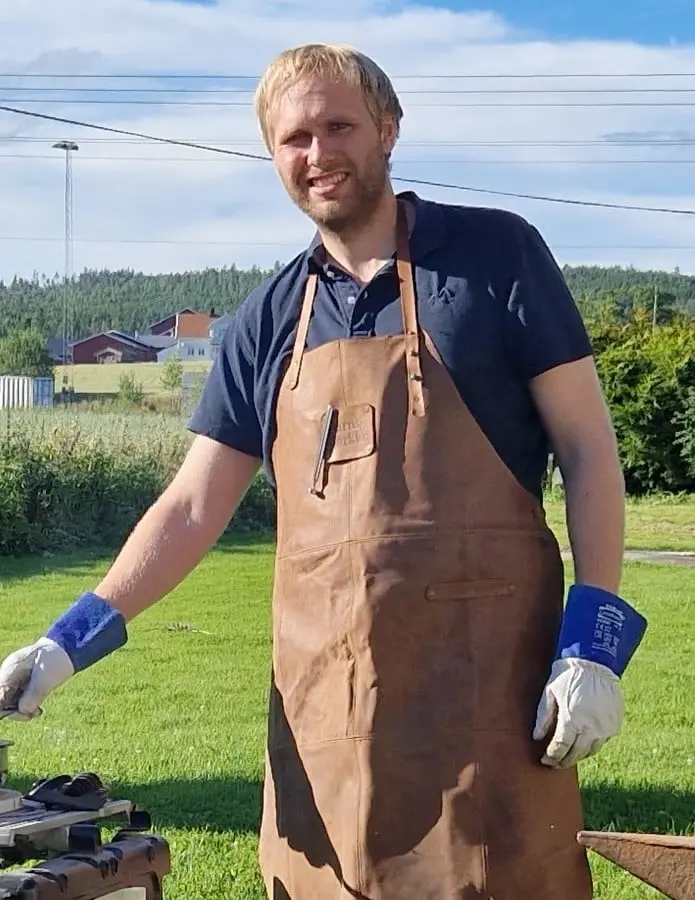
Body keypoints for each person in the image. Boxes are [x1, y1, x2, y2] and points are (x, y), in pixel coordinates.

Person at [0, 44, 647, 900]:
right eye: (294, 137)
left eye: (338, 126)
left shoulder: (495, 257)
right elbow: (193, 504)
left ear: (386, 130)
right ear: (272, 156)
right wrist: (65, 642)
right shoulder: (266, 318)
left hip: (488, 700)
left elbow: (589, 451)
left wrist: (592, 648)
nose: (317, 154)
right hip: (323, 715)